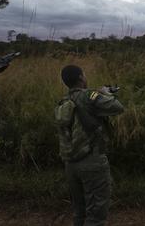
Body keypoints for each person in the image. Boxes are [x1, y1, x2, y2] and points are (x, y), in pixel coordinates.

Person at [55, 65, 124, 226]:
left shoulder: (64, 101)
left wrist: (97, 93)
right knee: (96, 216)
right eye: (84, 75)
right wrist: (105, 94)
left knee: (80, 213)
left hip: (71, 165)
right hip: (92, 163)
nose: (86, 77)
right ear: (80, 78)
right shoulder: (89, 97)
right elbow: (117, 107)